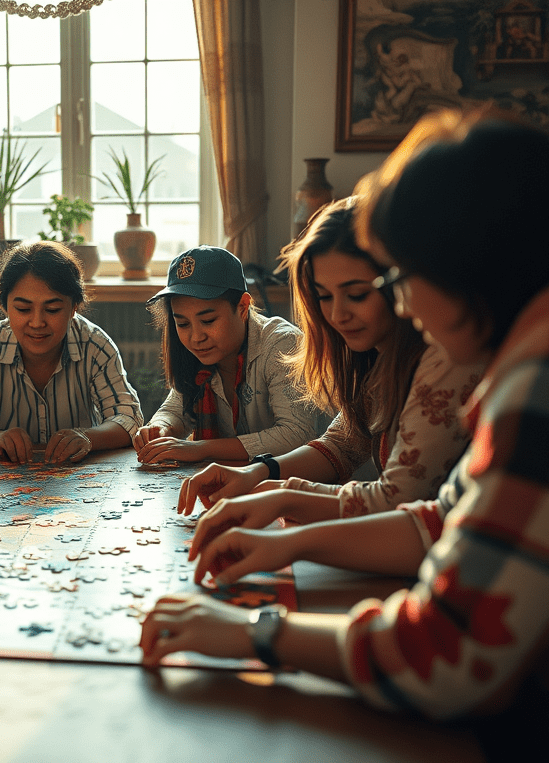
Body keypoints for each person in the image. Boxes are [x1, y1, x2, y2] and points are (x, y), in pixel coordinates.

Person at [140, 108, 549, 737]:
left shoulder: (533, 387)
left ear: (467, 264)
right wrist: (285, 517)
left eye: (398, 277)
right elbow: (440, 518)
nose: (402, 303)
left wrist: (257, 630)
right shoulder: (518, 363)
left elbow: (443, 655)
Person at [175, 197, 483, 531]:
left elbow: (397, 499)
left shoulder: (444, 357)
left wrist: (284, 497)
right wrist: (257, 472)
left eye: (357, 295)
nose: (337, 315)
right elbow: (340, 446)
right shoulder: (378, 360)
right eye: (323, 296)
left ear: (399, 283)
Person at [0, 240, 143, 464]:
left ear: (74, 307)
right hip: (5, 477)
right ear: (4, 306)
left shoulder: (94, 344)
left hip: (77, 475)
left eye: (52, 309)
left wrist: (88, 437)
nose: (37, 323)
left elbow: (129, 418)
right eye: (23, 309)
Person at [133, 246, 317, 465]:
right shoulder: (198, 356)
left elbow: (297, 434)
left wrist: (200, 449)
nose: (196, 337)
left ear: (242, 307)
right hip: (238, 478)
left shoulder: (282, 344)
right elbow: (175, 410)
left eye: (208, 321)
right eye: (182, 324)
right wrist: (159, 428)